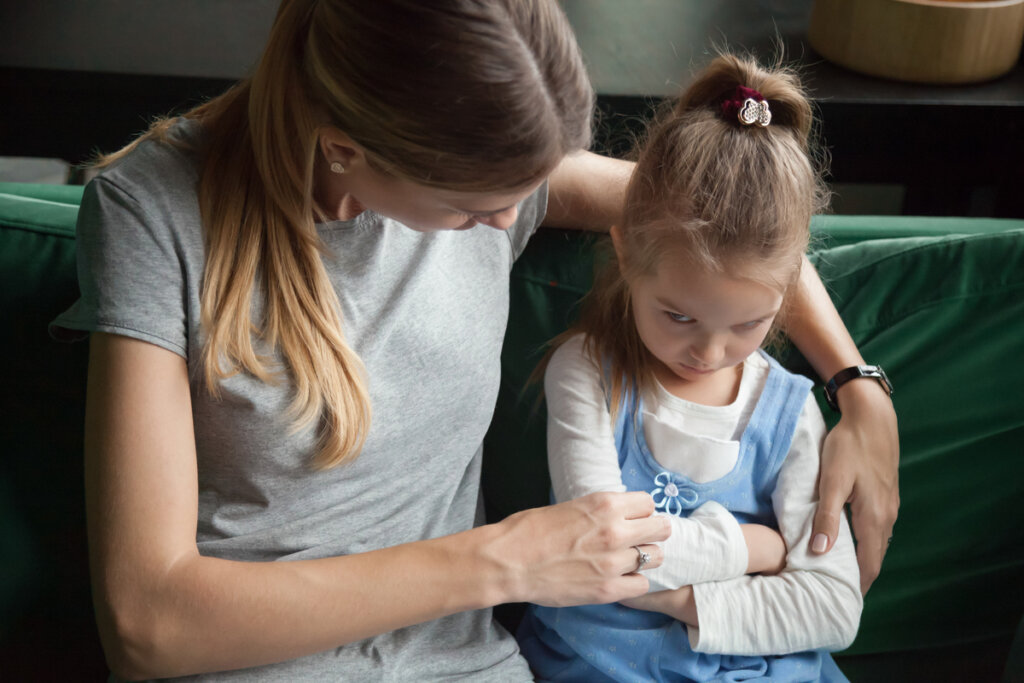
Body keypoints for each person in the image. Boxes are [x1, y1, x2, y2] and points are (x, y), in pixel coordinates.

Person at [49, 0, 895, 680]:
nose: (504, 221)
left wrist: (857, 384)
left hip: (468, 664)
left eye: (529, 189)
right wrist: (503, 563)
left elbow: (740, 225)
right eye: (475, 209)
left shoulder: (494, 170)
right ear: (345, 149)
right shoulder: (152, 216)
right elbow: (148, 625)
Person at [516, 54, 863, 681]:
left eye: (748, 325)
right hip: (603, 664)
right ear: (625, 253)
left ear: (789, 289)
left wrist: (675, 597)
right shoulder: (590, 374)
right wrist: (753, 549)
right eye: (677, 317)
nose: (708, 353)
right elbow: (598, 549)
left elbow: (834, 607)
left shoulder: (792, 412)